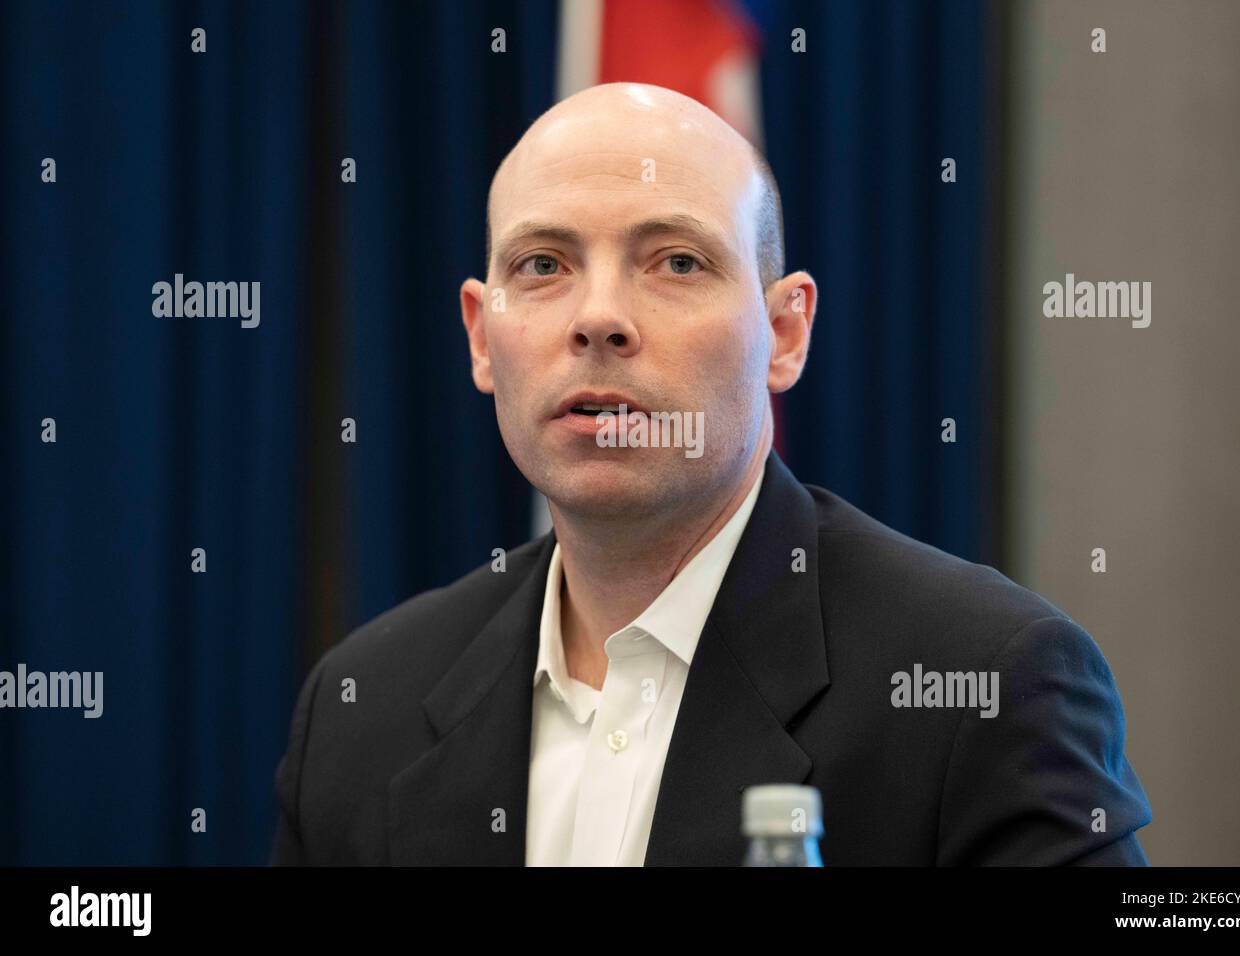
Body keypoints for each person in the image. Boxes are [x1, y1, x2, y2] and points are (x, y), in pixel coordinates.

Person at [269, 82, 1151, 866]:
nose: (600, 318)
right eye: (544, 266)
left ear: (787, 333)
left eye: (676, 262)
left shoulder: (986, 685)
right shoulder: (359, 713)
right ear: (480, 336)